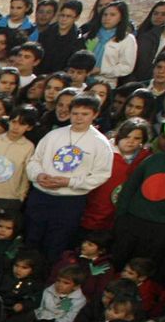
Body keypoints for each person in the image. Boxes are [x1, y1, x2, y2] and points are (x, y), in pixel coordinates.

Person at [22, 92, 115, 261]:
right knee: (31, 239)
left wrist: (70, 182)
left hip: (69, 202)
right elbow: (34, 161)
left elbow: (101, 175)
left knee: (56, 245)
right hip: (41, 196)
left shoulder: (100, 143)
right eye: (75, 113)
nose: (79, 118)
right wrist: (39, 175)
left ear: (95, 114)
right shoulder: (54, 135)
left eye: (85, 114)